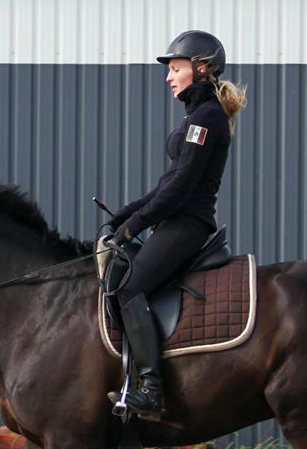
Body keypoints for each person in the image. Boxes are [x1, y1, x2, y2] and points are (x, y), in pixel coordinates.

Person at [106, 30, 247, 421]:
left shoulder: (206, 118)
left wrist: (135, 225)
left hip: (187, 225)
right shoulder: (197, 116)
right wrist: (127, 213)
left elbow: (181, 189)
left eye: (175, 68)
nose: (169, 77)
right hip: (176, 219)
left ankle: (150, 390)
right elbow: (169, 183)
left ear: (201, 69)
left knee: (130, 287)